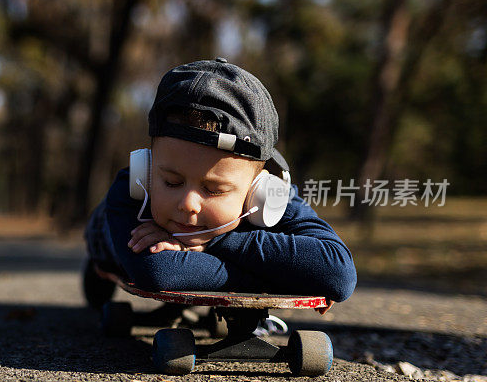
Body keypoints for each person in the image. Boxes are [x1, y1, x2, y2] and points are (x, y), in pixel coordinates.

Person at [84, 58, 356, 311]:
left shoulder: (271, 195)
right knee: (102, 270)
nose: (188, 203)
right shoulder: (132, 189)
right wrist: (282, 276)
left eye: (213, 190)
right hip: (105, 238)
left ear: (257, 189)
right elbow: (159, 272)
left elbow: (338, 274)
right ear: (148, 169)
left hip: (217, 245)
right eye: (171, 182)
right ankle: (95, 268)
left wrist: (217, 241)